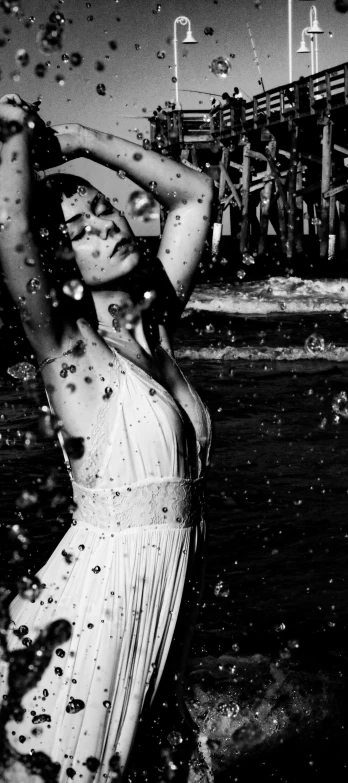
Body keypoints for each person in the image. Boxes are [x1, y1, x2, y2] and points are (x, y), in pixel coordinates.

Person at [0, 93, 214, 782]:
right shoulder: (70, 352)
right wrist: (10, 137)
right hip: (99, 608)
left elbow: (194, 194)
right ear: (64, 257)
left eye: (105, 208)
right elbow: (12, 237)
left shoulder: (155, 322)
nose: (105, 224)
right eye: (82, 226)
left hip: (159, 601)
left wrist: (84, 138)